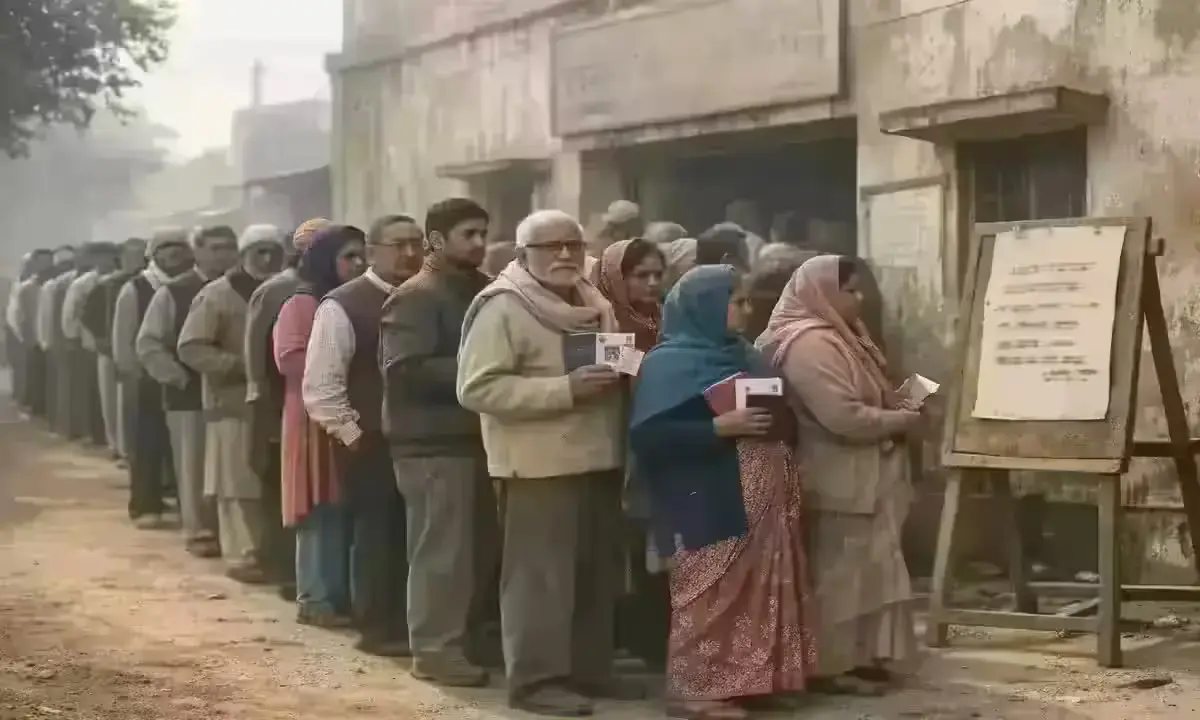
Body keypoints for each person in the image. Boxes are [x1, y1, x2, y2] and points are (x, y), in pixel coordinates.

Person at [457, 209, 640, 717]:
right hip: (536, 467)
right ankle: (535, 682)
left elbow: (615, 358)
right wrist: (565, 389)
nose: (564, 255)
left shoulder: (591, 299)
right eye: (550, 246)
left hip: (597, 458)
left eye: (573, 245)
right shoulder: (502, 307)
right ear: (521, 256)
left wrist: (637, 372)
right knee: (541, 581)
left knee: (594, 575)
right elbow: (476, 388)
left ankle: (589, 671)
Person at [628, 264, 817, 720]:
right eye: (739, 301)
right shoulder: (667, 363)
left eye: (750, 301)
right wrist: (717, 426)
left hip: (765, 490)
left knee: (762, 589)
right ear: (705, 306)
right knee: (710, 593)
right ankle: (696, 689)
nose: (748, 311)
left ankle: (755, 680)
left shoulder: (746, 354)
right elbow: (650, 439)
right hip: (708, 494)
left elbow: (781, 411)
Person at [756, 255, 920, 694]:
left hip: (862, 474)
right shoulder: (809, 344)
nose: (859, 298)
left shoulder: (843, 336)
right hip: (835, 474)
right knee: (838, 576)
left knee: (866, 572)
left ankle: (862, 658)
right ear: (824, 293)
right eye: (850, 289)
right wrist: (902, 421)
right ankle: (830, 667)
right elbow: (843, 417)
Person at [380, 198, 498, 687]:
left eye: (482, 234)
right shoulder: (416, 296)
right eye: (468, 234)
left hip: (476, 440)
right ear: (435, 239)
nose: (478, 243)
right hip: (431, 445)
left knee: (476, 553)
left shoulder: (485, 290)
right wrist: (489, 374)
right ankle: (433, 650)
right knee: (442, 554)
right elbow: (404, 369)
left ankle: (463, 640)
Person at [303, 213, 423, 657]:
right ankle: (379, 627)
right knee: (378, 535)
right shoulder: (344, 304)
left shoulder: (425, 295)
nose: (409, 253)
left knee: (417, 537)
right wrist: (353, 434)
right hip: (372, 441)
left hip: (423, 439)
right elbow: (321, 384)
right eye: (398, 245)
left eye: (416, 244)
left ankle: (414, 625)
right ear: (373, 251)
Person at [178, 224, 285, 582]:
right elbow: (191, 346)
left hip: (276, 405)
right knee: (236, 484)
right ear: (244, 256)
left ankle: (270, 552)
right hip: (232, 402)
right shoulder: (218, 294)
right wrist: (241, 365)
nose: (267, 260)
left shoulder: (287, 291)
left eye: (273, 252)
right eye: (259, 253)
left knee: (268, 482)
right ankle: (241, 554)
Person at [274, 224, 362, 627]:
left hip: (345, 413)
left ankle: (339, 596)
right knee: (317, 507)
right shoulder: (303, 303)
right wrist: (335, 370)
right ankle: (315, 597)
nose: (359, 264)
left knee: (343, 507)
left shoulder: (352, 300)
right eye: (349, 257)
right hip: (311, 419)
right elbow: (289, 359)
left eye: (363, 256)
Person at [136, 226, 239, 557]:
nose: (222, 254)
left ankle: (233, 533)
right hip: (189, 397)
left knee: (233, 467)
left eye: (228, 247)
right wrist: (177, 376)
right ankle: (200, 530)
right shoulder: (175, 292)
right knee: (193, 465)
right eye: (215, 248)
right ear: (198, 251)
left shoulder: (244, 288)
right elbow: (148, 342)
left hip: (233, 394)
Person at [595, 238, 669, 672]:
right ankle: (627, 637)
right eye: (641, 275)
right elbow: (633, 371)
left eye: (658, 274)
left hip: (659, 444)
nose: (653, 283)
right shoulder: (602, 321)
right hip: (617, 445)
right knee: (622, 545)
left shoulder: (664, 319)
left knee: (655, 546)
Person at [246, 218, 329, 596]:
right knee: (281, 489)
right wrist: (262, 399)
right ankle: (281, 569)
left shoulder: (332, 289)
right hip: (280, 399)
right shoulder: (277, 291)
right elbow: (258, 354)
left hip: (317, 405)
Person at [115, 229, 192, 528]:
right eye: (166, 248)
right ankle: (146, 505)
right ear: (154, 254)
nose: (173, 253)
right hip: (146, 380)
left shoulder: (193, 286)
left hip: (184, 378)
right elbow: (124, 337)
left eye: (179, 247)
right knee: (147, 443)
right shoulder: (136, 288)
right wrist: (136, 373)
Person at [84, 238, 146, 462]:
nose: (136, 260)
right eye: (131, 255)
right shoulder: (107, 285)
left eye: (140, 255)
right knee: (113, 403)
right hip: (109, 350)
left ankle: (134, 450)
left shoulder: (150, 283)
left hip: (142, 353)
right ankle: (118, 447)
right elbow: (89, 316)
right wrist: (102, 340)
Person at [64, 242, 120, 445]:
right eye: (100, 257)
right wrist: (73, 338)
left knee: (112, 397)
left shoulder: (121, 280)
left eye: (109, 256)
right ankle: (96, 434)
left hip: (115, 344)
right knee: (93, 392)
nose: (105, 261)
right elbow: (71, 314)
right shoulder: (83, 284)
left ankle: (111, 437)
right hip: (88, 343)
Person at [38, 246, 77, 435]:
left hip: (72, 343)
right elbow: (45, 316)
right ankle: (61, 424)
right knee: (60, 386)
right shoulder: (53, 286)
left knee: (70, 387)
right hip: (57, 342)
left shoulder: (72, 282)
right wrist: (46, 341)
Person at [16, 249, 56, 419]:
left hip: (51, 337)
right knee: (35, 375)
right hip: (32, 338)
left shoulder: (55, 285)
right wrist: (24, 337)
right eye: (42, 261)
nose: (45, 265)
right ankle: (35, 407)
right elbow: (19, 315)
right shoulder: (26, 289)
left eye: (49, 261)